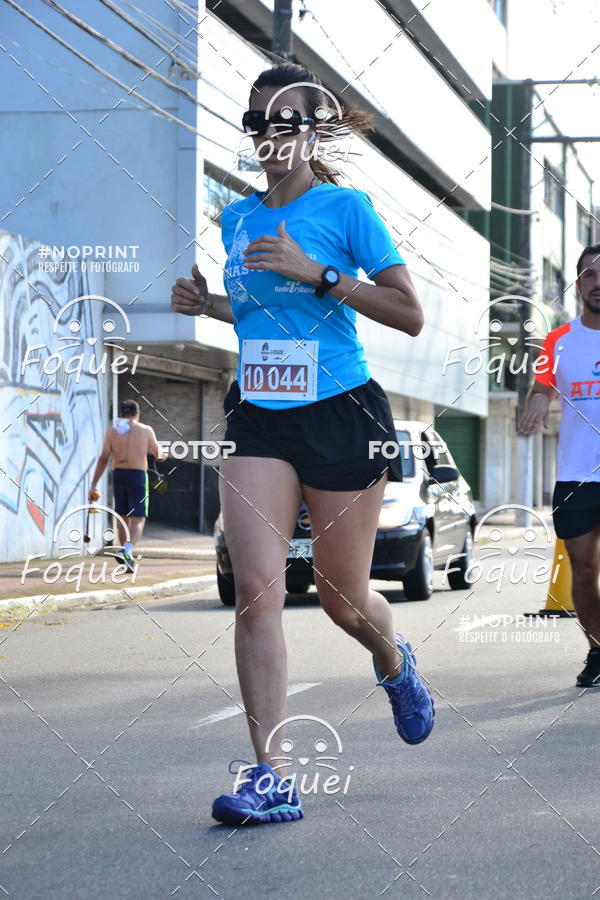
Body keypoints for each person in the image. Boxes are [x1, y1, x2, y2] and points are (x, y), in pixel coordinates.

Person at [171, 62, 434, 827]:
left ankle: (393, 659)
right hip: (260, 413)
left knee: (342, 598)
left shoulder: (347, 210)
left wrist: (318, 272)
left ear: (314, 131)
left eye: (286, 121)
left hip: (343, 413)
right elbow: (263, 317)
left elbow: (407, 313)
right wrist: (209, 305)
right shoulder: (236, 217)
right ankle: (271, 774)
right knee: (257, 590)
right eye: (258, 122)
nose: (269, 135)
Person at [518, 243, 600, 687]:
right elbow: (542, 386)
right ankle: (598, 651)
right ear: (578, 283)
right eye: (589, 275)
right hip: (576, 473)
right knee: (583, 568)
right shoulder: (559, 340)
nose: (598, 283)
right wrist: (535, 404)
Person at [88, 399, 165, 572]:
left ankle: (125, 554)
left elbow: (103, 459)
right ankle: (128, 550)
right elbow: (158, 455)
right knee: (138, 518)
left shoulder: (112, 432)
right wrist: (165, 454)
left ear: (121, 414)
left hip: (119, 474)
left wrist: (93, 484)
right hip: (137, 475)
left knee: (122, 517)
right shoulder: (145, 430)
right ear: (137, 414)